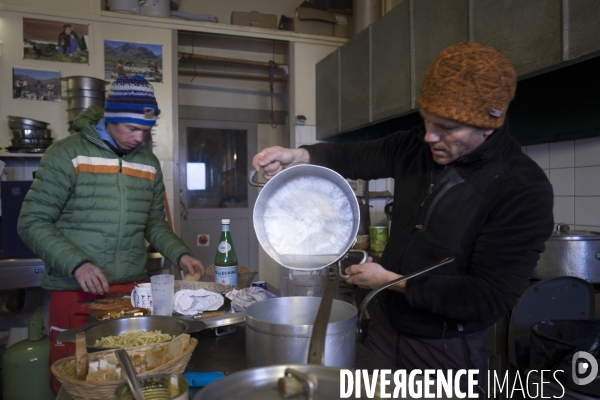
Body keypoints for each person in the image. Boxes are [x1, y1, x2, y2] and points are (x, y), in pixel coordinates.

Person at [252, 42, 554, 395]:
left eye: (446, 128)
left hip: (443, 353)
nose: (429, 136)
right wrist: (298, 155)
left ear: (488, 123)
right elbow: (357, 156)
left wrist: (391, 281)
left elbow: (485, 297)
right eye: (426, 121)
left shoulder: (522, 188)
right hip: (382, 333)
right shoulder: (419, 147)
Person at [17, 75, 205, 393]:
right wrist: (78, 264)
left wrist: (181, 253)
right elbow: (32, 222)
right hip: (73, 292)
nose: (138, 138)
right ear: (111, 116)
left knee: (130, 380)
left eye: (144, 131)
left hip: (129, 296)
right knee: (78, 382)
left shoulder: (147, 164)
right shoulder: (67, 155)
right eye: (131, 129)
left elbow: (154, 225)